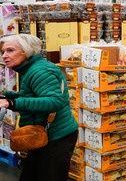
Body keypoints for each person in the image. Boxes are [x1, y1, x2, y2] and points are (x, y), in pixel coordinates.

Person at [0, 34, 78, 181]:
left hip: (56, 138)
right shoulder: (32, 69)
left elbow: (54, 101)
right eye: (3, 51)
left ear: (26, 51)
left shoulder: (39, 71)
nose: (5, 56)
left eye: (10, 50)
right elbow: (34, 95)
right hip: (44, 136)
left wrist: (11, 103)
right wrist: (6, 96)